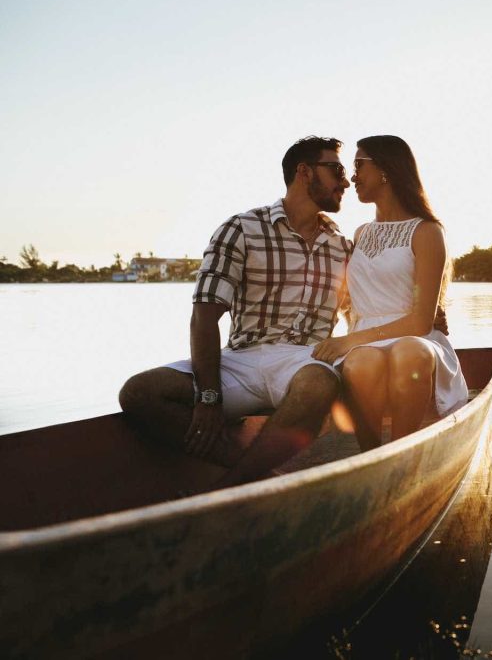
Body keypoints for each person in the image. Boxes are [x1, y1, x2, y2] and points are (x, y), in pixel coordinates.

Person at [119, 136, 353, 488]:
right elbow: (204, 316)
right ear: (304, 172)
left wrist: (426, 314)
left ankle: (229, 487)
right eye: (336, 169)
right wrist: (209, 398)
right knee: (139, 392)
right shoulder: (241, 229)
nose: (346, 181)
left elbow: (368, 313)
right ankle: (262, 475)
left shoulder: (343, 247)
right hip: (241, 361)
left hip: (306, 361)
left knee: (320, 382)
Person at [311, 135, 468, 444]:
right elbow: (351, 298)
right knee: (360, 362)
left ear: (386, 169)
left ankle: (400, 450)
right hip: (364, 340)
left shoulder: (427, 232)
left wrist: (350, 340)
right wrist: (348, 337)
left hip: (415, 338)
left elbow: (421, 322)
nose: (352, 176)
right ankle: (370, 454)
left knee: (410, 353)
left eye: (359, 165)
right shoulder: (360, 233)